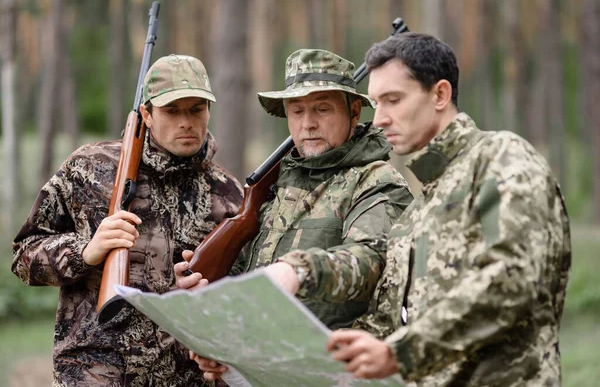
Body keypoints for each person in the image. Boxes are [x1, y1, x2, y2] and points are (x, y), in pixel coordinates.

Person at [325, 33, 572, 387]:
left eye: (393, 100)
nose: (378, 119)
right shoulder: (419, 206)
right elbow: (388, 321)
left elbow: (512, 281)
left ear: (439, 94)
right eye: (376, 103)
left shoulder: (501, 158)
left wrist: (400, 354)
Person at [175, 48, 413, 380]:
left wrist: (298, 270)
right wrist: (219, 341)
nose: (308, 123)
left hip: (337, 373)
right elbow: (246, 281)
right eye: (297, 110)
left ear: (355, 112)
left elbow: (372, 259)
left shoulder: (376, 181)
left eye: (322, 109)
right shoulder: (277, 188)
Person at [12, 54, 243, 386]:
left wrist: (211, 290)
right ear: (147, 115)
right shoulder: (88, 169)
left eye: (196, 109)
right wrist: (85, 252)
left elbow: (241, 296)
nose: (186, 123)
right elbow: (24, 254)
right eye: (172, 111)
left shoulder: (230, 195)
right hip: (92, 375)